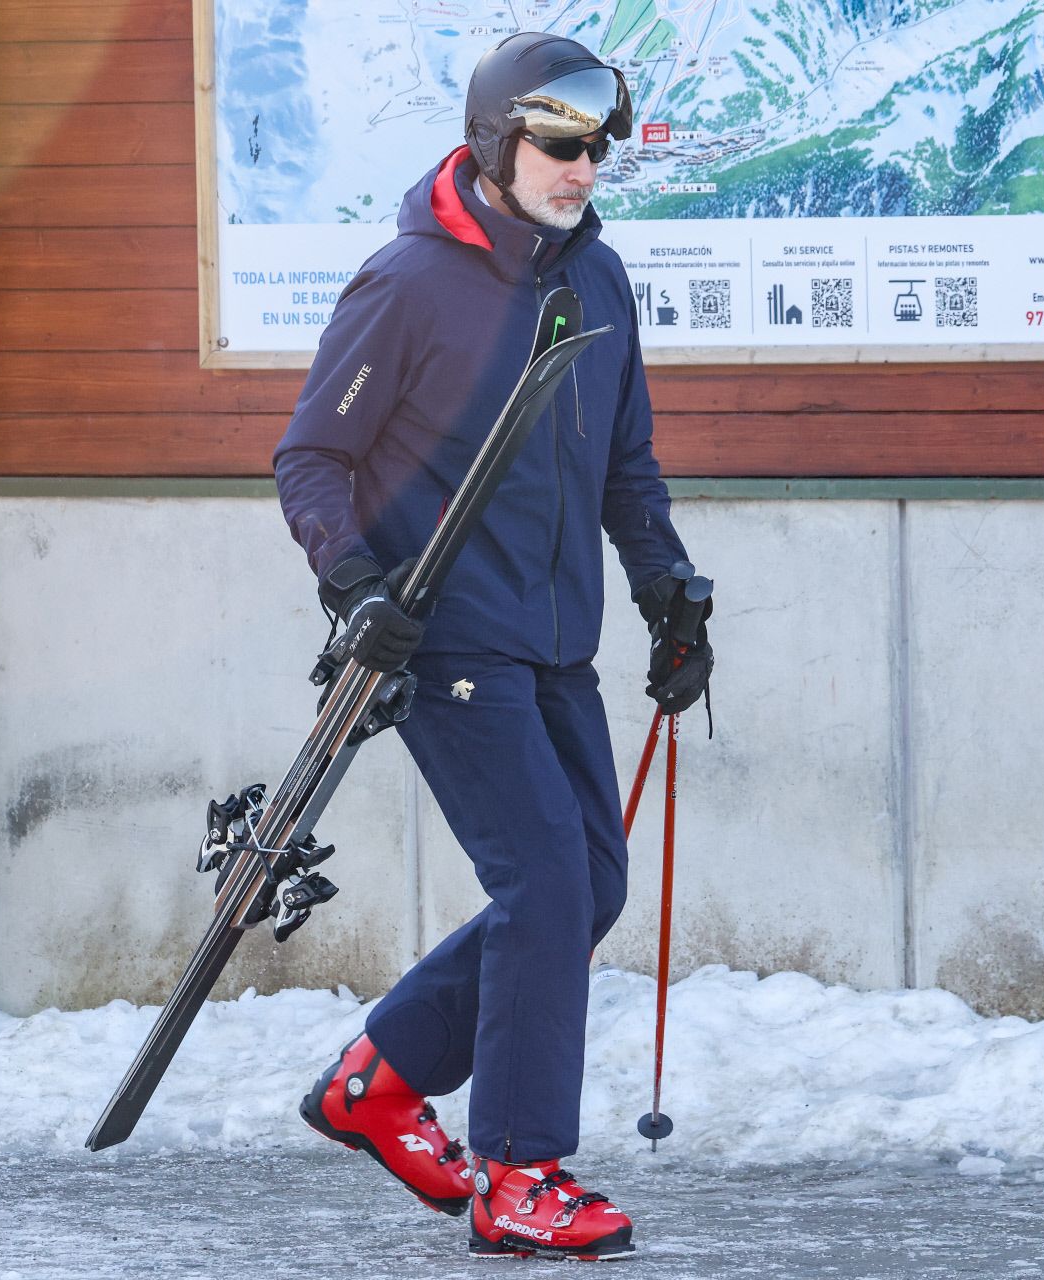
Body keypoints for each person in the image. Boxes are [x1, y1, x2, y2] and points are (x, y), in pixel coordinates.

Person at [272, 32, 715, 1261]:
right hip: (445, 635)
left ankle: (380, 1077)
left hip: (553, 636)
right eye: (560, 146)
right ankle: (520, 1170)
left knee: (594, 883)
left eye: (597, 147)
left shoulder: (598, 281)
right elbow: (311, 457)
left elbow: (626, 464)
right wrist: (354, 585)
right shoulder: (412, 284)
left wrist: (666, 589)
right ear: (495, 142)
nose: (584, 167)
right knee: (544, 883)